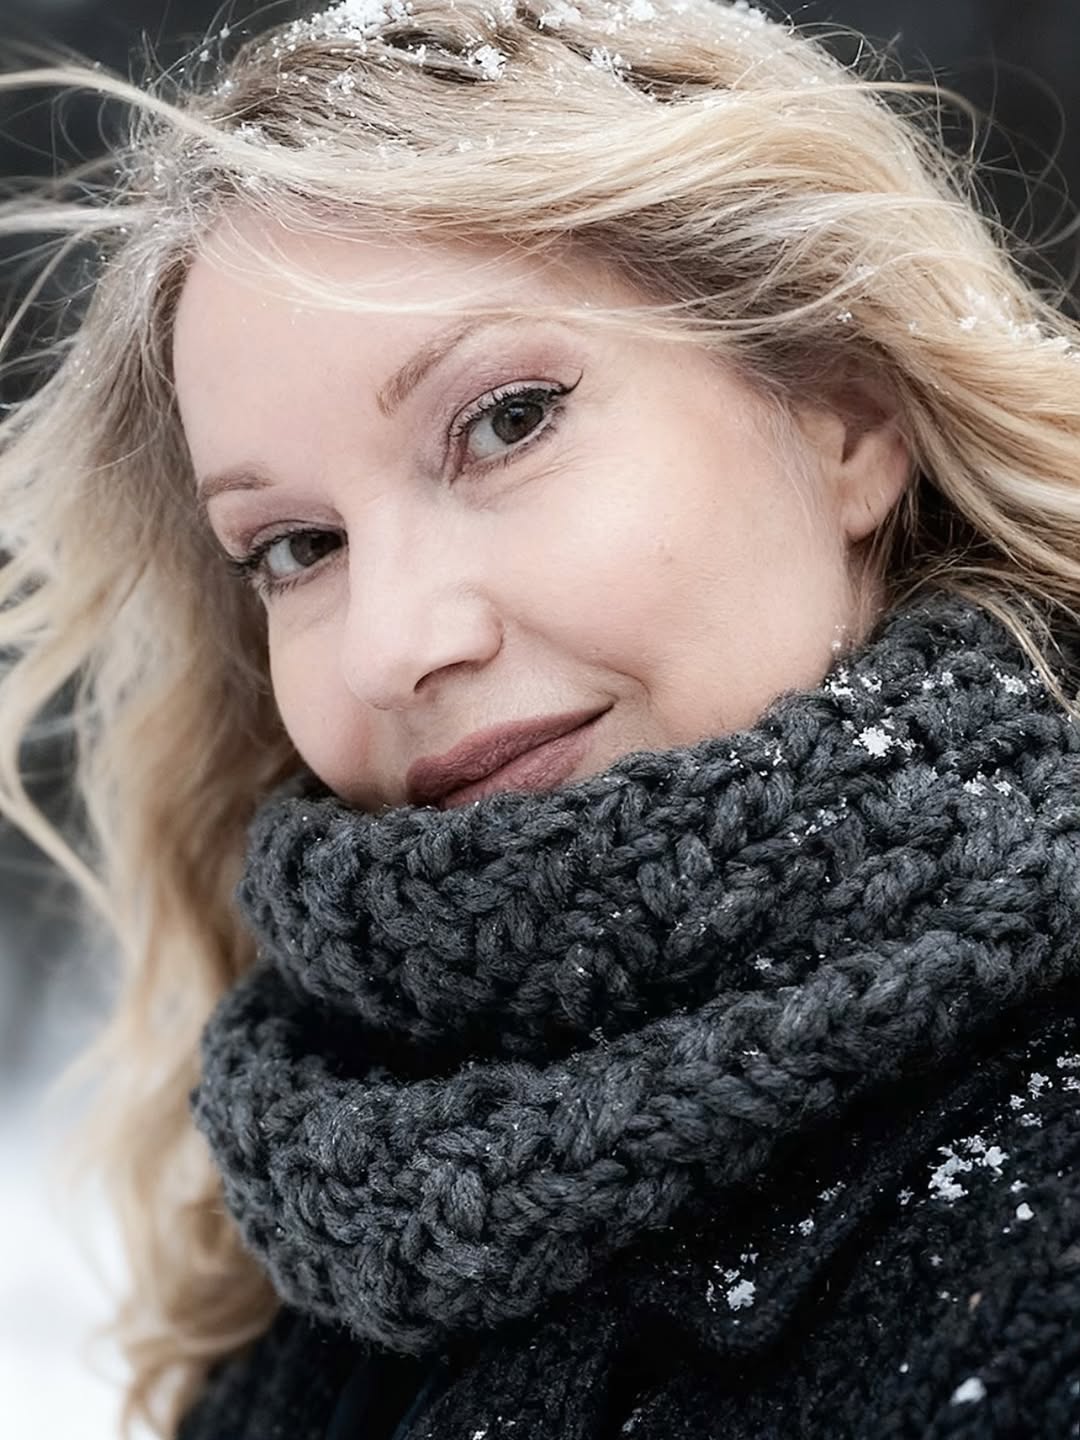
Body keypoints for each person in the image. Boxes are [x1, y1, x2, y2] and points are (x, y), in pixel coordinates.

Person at [2, 0, 1080, 1434]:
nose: (393, 646)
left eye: (507, 420)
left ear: (843, 416)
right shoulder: (319, 1242)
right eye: (297, 547)